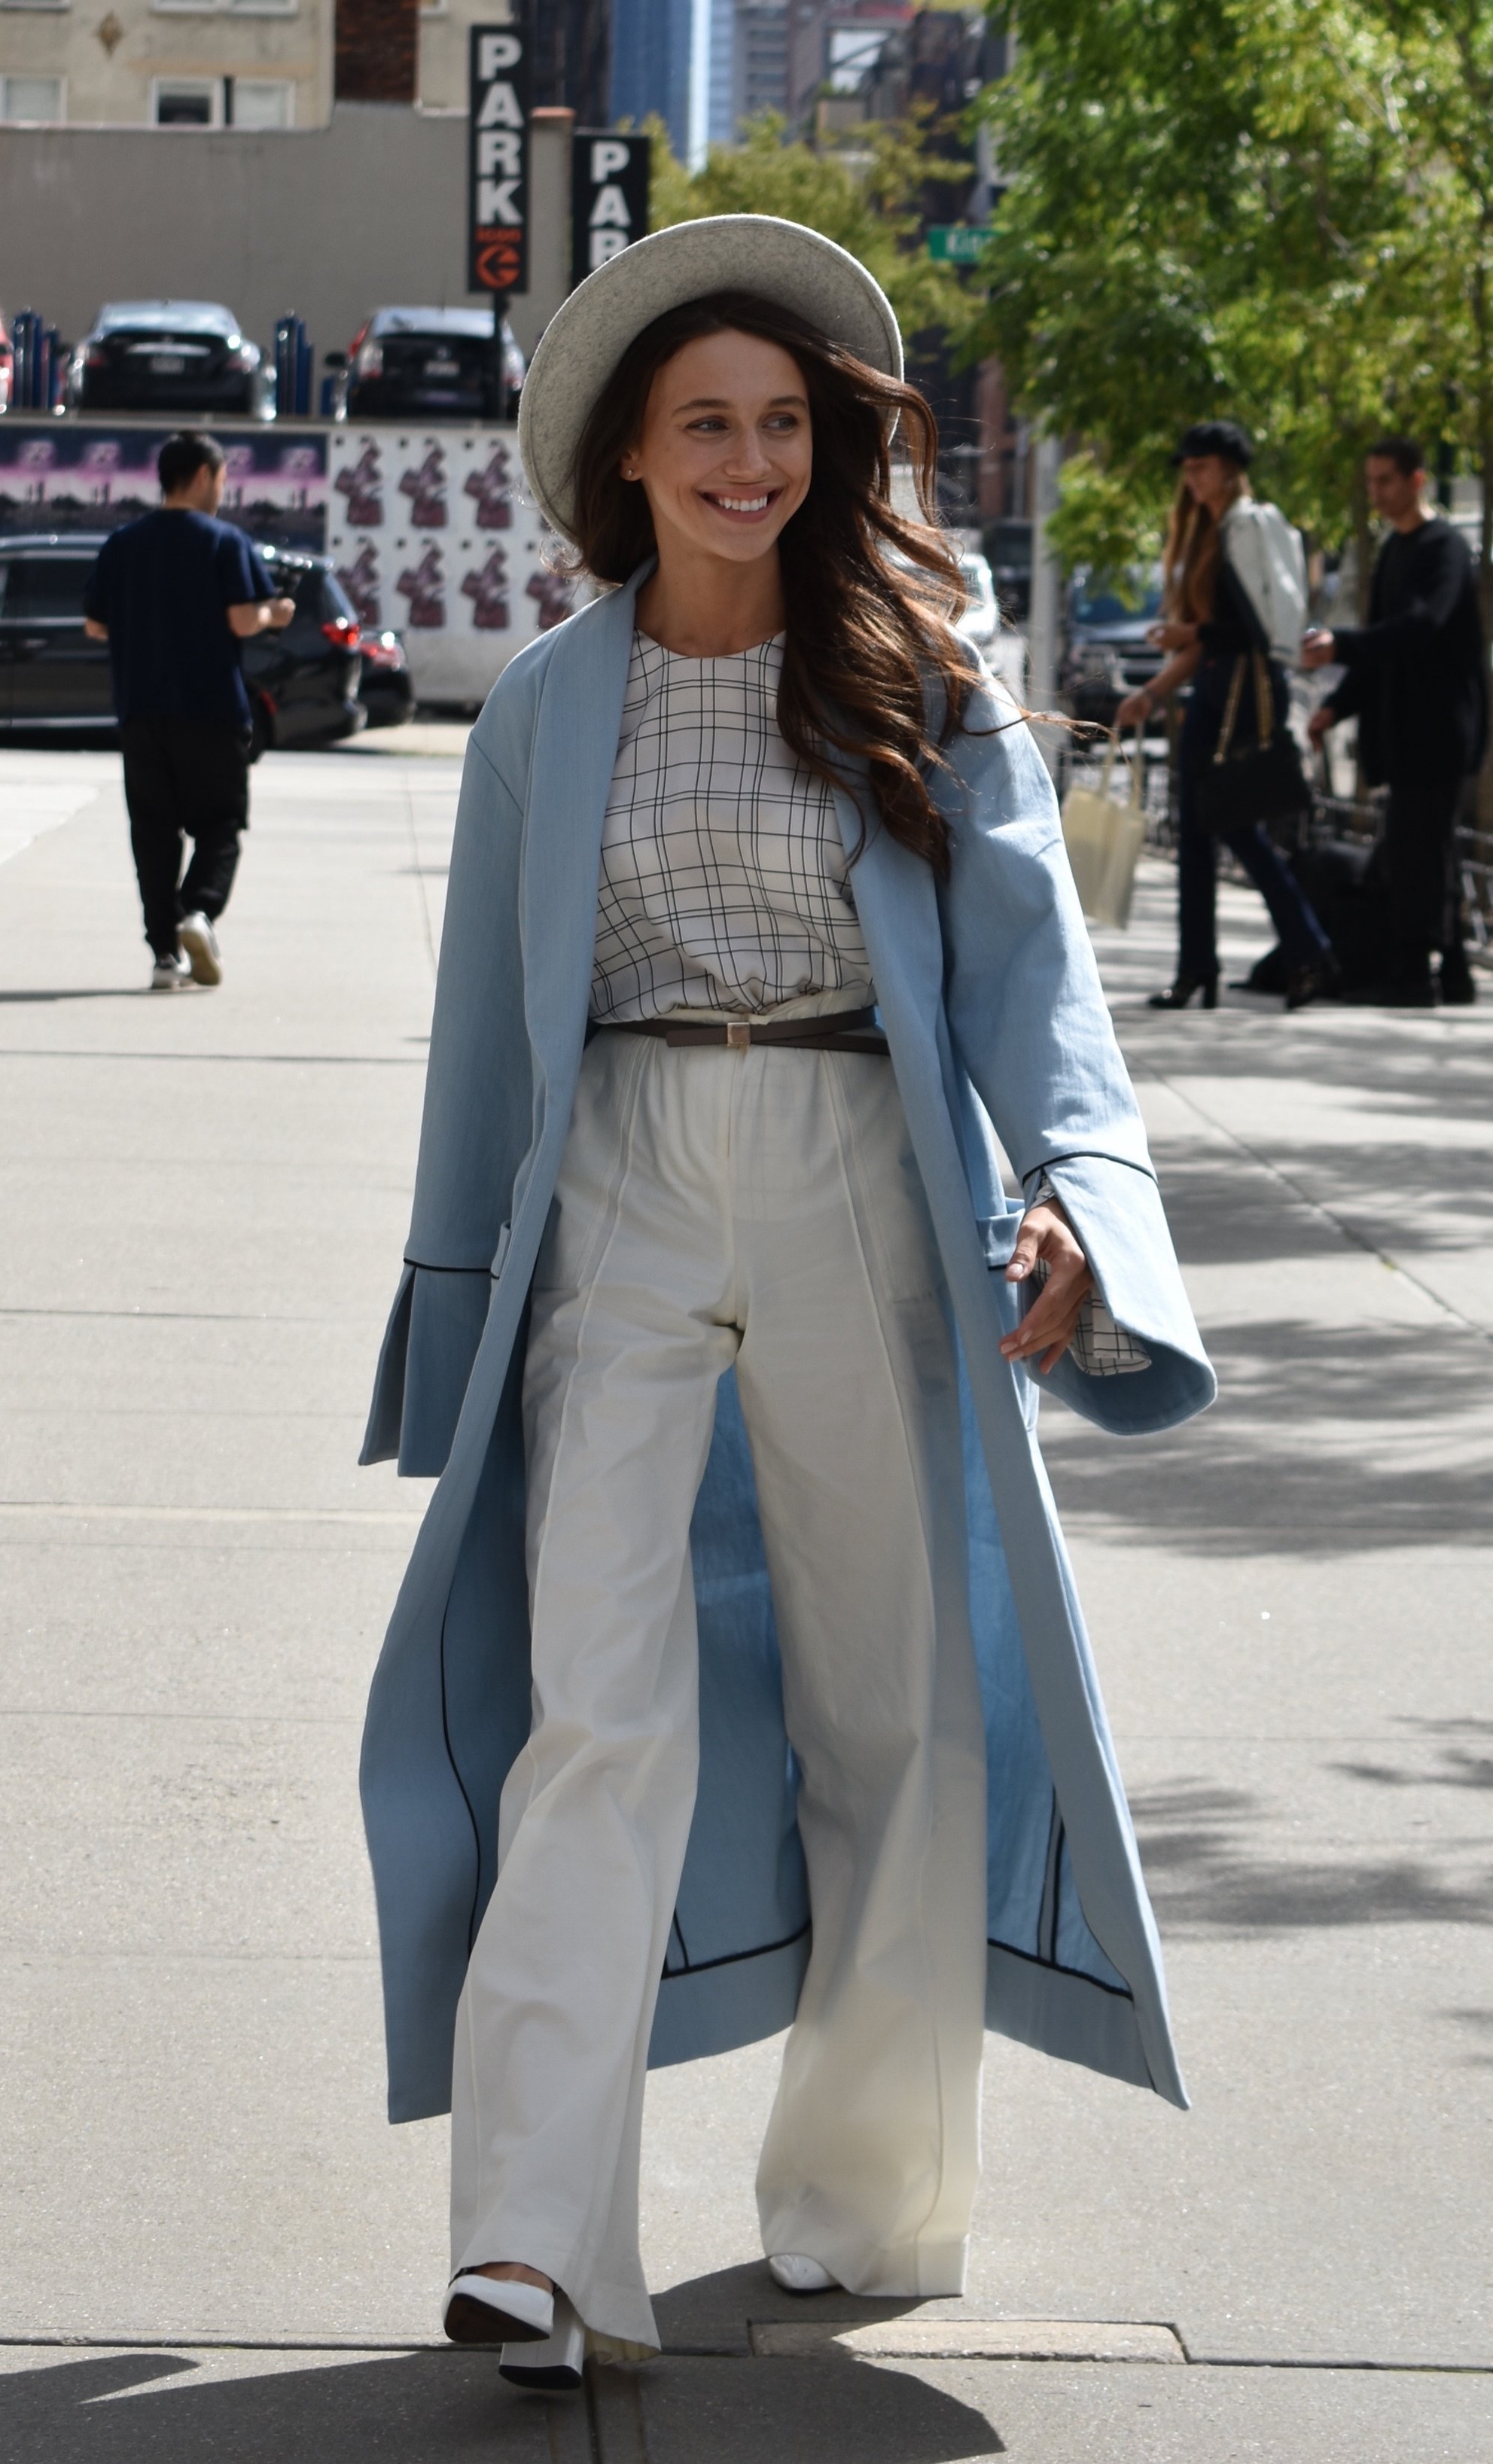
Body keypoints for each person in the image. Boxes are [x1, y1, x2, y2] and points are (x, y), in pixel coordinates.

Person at [356, 215, 1216, 2395]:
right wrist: (451, 1310)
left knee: (887, 1706)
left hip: (861, 1177)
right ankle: (533, 2239)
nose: (747, 460)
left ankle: (858, 2192)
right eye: (702, 426)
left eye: (778, 424)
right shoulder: (548, 704)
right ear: (625, 462)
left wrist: (1076, 1212)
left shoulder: (909, 670)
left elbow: (1033, 985)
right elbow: (484, 1037)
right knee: (593, 1700)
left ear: (825, 448)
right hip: (621, 1191)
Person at [1116, 420, 1335, 1011]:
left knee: (1232, 827)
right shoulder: (1208, 532)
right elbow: (1209, 642)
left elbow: (1255, 632)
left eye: (1201, 465)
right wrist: (1155, 692)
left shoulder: (1247, 526)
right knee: (1199, 834)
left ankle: (1297, 950)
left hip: (1242, 698)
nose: (1190, 476)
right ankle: (1207, 967)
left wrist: (1191, 632)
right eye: (1186, 466)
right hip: (1213, 695)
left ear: (1230, 469)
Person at [83, 431, 294, 990]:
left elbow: (95, 624)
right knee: (220, 826)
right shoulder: (225, 542)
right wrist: (276, 612)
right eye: (222, 480)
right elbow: (243, 622)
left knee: (153, 834)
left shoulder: (122, 544)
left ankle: (163, 957)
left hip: (140, 711)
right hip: (212, 709)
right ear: (202, 475)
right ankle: (198, 912)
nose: (222, 492)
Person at [1303, 437, 1487, 1006]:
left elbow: (1417, 628)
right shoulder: (1392, 551)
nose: (1375, 493)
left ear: (1416, 481)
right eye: (1371, 481)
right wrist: (1336, 706)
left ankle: (1412, 976)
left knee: (1417, 852)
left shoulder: (1445, 548)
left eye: (1385, 481)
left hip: (1438, 730)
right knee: (1430, 849)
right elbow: (1381, 650)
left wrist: (1342, 647)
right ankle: (1453, 972)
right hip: (1404, 730)